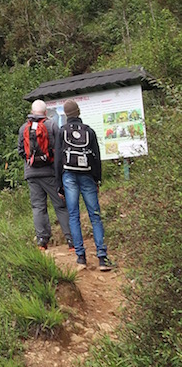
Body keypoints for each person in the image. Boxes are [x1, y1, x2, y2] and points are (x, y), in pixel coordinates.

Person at [56, 98, 113, 271]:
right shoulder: (89, 131)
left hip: (69, 176)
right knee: (95, 215)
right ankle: (102, 257)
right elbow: (96, 157)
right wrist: (97, 179)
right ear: (79, 112)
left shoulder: (62, 132)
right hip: (87, 175)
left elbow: (58, 160)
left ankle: (81, 257)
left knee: (74, 215)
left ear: (66, 115)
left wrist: (60, 186)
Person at [18, 99, 73, 251]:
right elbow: (59, 149)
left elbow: (21, 151)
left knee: (38, 207)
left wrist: (32, 161)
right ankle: (70, 240)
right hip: (50, 173)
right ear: (45, 111)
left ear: (31, 110)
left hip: (31, 174)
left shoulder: (24, 128)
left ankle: (42, 241)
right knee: (60, 205)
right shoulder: (51, 125)